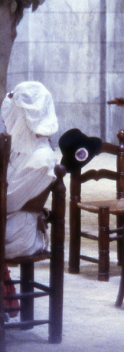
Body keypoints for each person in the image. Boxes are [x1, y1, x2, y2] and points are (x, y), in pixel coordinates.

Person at [1, 82, 59, 259]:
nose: (8, 120)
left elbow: (8, 202)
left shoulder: (41, 158)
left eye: (15, 113)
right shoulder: (22, 147)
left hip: (16, 234)